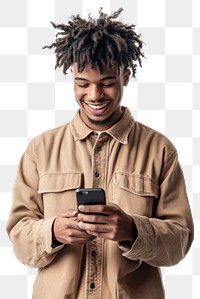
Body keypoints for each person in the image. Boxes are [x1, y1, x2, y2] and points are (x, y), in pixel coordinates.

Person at [7, 8, 194, 299]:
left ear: (126, 76)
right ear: (73, 77)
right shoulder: (40, 150)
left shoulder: (160, 150)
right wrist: (53, 231)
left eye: (107, 82)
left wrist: (133, 230)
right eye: (82, 84)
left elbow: (179, 243)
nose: (94, 95)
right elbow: (18, 239)